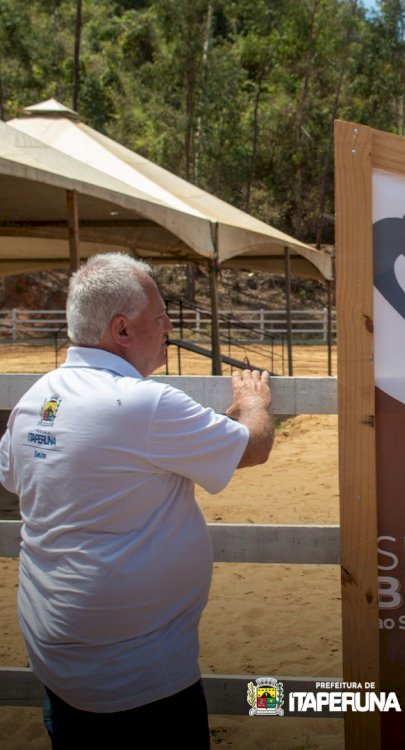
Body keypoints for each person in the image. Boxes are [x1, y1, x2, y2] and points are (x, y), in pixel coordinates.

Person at [0, 253, 274, 749]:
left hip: (57, 658)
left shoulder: (36, 398)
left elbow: (17, 478)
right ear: (122, 330)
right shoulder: (147, 403)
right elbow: (252, 447)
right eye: (160, 316)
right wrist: (253, 404)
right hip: (138, 676)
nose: (169, 326)